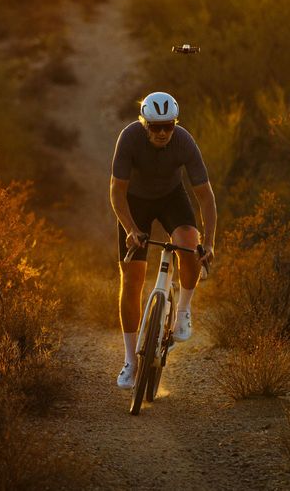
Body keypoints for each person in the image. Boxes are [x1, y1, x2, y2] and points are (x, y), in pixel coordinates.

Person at [109, 91, 217, 389]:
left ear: (174, 123)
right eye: (155, 126)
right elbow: (117, 192)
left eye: (167, 125)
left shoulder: (184, 141)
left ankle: (182, 312)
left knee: (189, 245)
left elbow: (206, 197)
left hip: (171, 198)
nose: (161, 133)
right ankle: (131, 361)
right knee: (131, 281)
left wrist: (209, 243)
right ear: (144, 124)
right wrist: (131, 229)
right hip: (135, 203)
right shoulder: (129, 138)